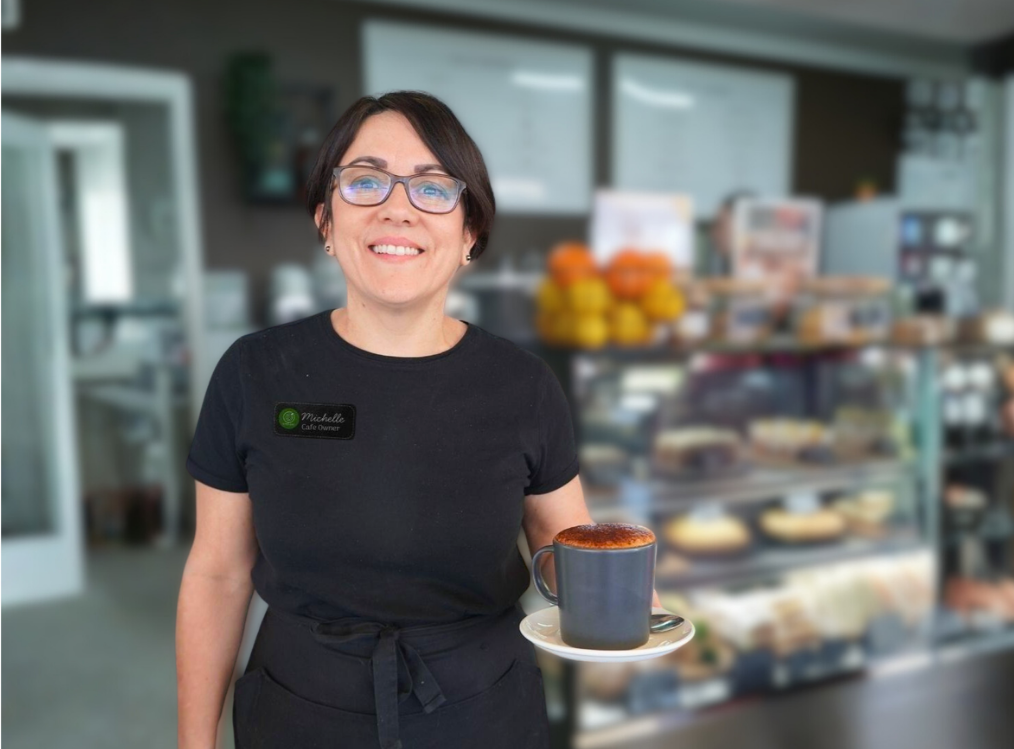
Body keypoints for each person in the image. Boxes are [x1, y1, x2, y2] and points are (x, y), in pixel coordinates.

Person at [175, 91, 659, 749]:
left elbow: (565, 538)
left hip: (483, 712)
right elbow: (217, 571)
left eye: (433, 187)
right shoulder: (255, 372)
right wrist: (193, 741)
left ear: (469, 235)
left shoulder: (524, 386)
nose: (396, 206)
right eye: (366, 180)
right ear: (325, 219)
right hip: (298, 709)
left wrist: (624, 600)